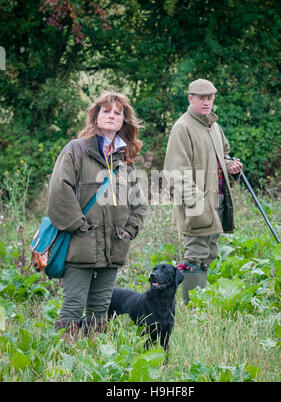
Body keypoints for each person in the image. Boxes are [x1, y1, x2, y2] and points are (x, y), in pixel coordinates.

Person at [47, 91, 147, 341]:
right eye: (106, 111)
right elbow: (60, 190)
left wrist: (128, 231)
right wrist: (78, 227)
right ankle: (64, 360)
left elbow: (139, 203)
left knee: (100, 309)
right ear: (96, 116)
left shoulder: (125, 159)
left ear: (124, 121)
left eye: (118, 113)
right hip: (80, 245)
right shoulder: (76, 149)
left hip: (114, 247)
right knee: (72, 307)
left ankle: (92, 358)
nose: (112, 116)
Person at [164, 78, 243, 305]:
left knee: (208, 254)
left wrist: (232, 168)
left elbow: (223, 158)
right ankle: (192, 308)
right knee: (194, 256)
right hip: (197, 204)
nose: (206, 102)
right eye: (201, 98)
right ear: (191, 99)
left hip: (217, 200)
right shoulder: (182, 127)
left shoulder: (214, 126)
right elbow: (175, 172)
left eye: (210, 98)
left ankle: (201, 304)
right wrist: (197, 202)